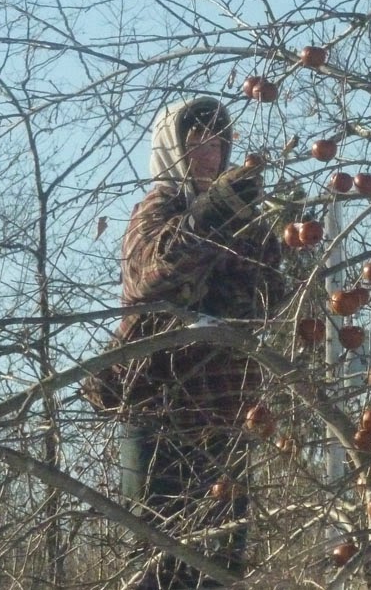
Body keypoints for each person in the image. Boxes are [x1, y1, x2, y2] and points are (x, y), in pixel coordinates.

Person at [84, 97, 284, 588]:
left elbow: (268, 299)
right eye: (195, 142)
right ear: (171, 147)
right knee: (160, 561)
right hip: (160, 411)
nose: (208, 154)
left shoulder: (246, 224)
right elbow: (153, 274)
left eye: (217, 143)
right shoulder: (156, 209)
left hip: (225, 412)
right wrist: (210, 214)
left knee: (221, 564)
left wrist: (244, 230)